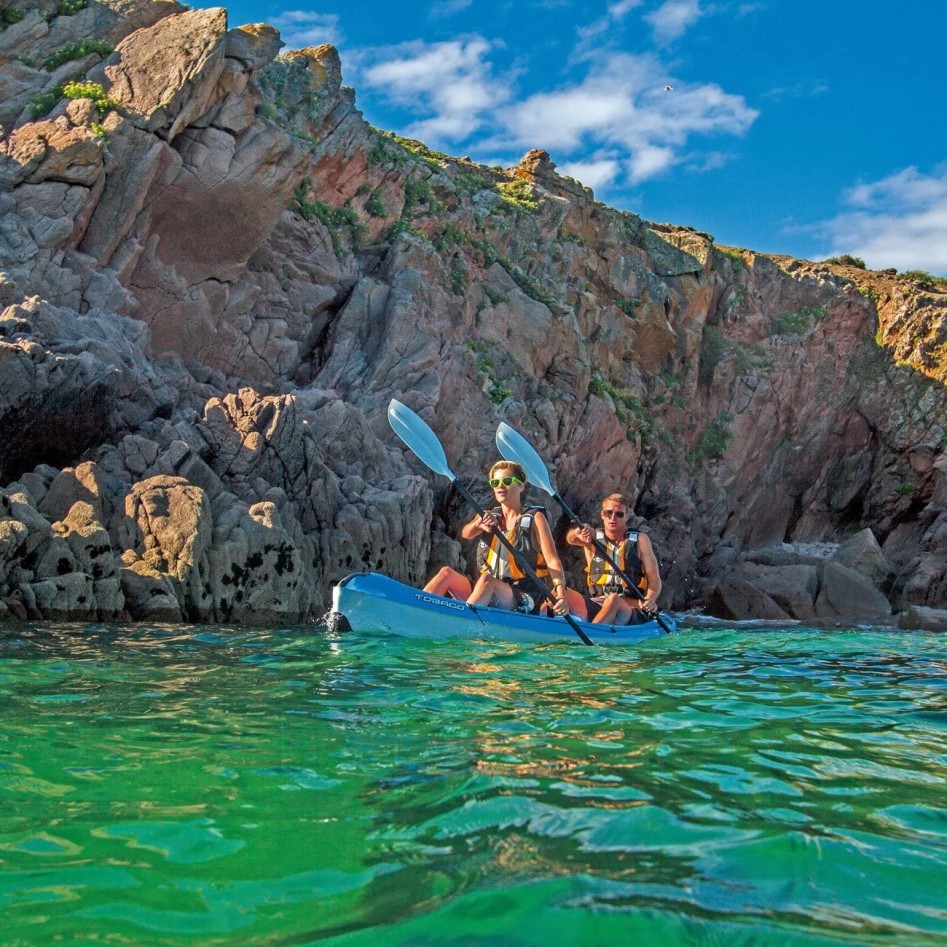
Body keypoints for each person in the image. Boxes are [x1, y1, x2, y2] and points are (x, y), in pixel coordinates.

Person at [424, 461, 572, 617]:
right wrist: (478, 525)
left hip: (525, 596)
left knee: (487, 581)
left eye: (507, 481)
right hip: (489, 588)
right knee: (446, 573)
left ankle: (464, 620)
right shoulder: (488, 515)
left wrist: (560, 593)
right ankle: (419, 613)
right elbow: (466, 534)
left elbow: (552, 560)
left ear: (521, 486)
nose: (500, 486)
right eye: (495, 483)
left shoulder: (535, 518)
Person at [565, 493, 662, 625]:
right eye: (608, 513)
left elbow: (654, 580)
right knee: (562, 592)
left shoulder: (640, 540)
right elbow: (571, 539)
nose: (612, 518)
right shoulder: (592, 539)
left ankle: (593, 632)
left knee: (613, 599)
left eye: (619, 514)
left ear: (626, 517)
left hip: (631, 606)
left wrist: (650, 598)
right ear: (602, 515)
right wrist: (578, 532)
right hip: (599, 602)